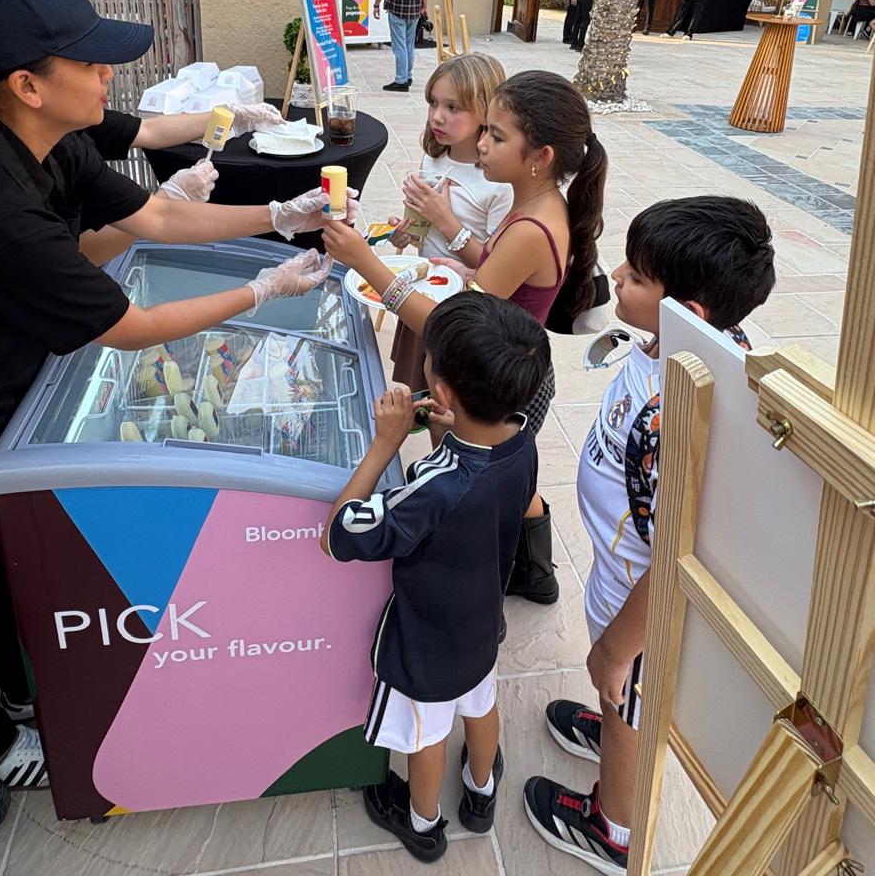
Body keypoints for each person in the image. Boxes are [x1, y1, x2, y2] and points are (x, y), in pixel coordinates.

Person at [0, 0, 351, 791]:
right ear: (26, 84)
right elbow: (129, 326)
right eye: (89, 61)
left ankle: (18, 690)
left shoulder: (49, 137)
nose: (109, 73)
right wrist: (258, 288)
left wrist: (279, 215)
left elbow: (151, 211)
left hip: (2, 375)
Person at [523, 196, 776, 872]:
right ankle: (612, 714)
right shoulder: (675, 350)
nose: (617, 278)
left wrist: (614, 650)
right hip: (619, 579)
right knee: (621, 698)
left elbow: (677, 561)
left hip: (645, 610)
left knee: (630, 698)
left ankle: (613, 829)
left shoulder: (684, 417)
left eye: (635, 276)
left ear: (687, 314)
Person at [323, 70, 608, 605]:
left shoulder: (532, 225)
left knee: (479, 476)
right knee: (510, 471)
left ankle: (489, 568)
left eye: (497, 136)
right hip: (507, 363)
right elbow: (497, 267)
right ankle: (536, 573)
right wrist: (456, 249)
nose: (481, 143)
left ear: (540, 156)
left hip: (499, 375)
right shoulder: (532, 206)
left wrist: (365, 262)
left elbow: (447, 329)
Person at [321, 294, 550, 862]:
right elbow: (484, 474)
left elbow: (340, 536)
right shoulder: (521, 439)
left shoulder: (438, 483)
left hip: (426, 640)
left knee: (424, 735)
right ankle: (480, 790)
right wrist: (450, 428)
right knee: (480, 702)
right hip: (480, 622)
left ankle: (422, 823)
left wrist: (385, 442)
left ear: (443, 391)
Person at [386, 53, 513, 407]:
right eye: (433, 103)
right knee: (422, 389)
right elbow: (423, 236)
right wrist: (406, 233)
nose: (438, 116)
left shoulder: (498, 182)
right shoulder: (434, 158)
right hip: (425, 294)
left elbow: (492, 267)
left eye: (454, 107)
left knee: (452, 399)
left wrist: (446, 221)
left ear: (487, 111)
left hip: (463, 309)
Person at [83, 103, 286, 205]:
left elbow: (148, 130)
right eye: (88, 65)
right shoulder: (63, 155)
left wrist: (230, 115)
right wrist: (167, 200)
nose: (107, 73)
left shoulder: (85, 124)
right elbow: (83, 248)